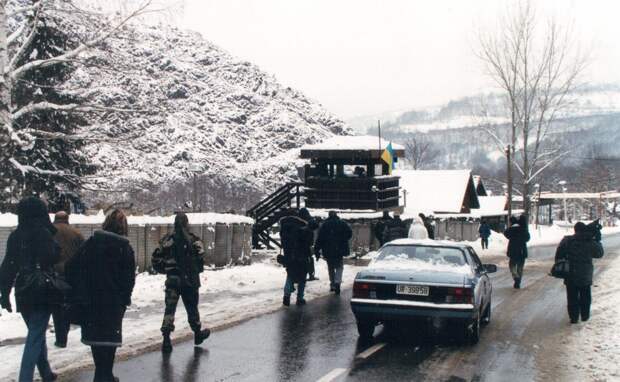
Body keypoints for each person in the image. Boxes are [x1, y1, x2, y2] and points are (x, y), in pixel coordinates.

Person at [65, 209, 135, 382]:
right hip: (112, 305)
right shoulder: (124, 249)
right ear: (123, 228)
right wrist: (124, 299)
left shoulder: (91, 243)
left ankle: (104, 375)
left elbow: (71, 267)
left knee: (97, 344)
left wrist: (81, 289)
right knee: (109, 344)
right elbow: (128, 280)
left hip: (91, 303)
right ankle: (105, 375)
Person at [0, 197, 60, 382]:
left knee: (36, 332)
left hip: (23, 290)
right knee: (35, 335)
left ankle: (46, 373)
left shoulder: (15, 236)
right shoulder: (44, 233)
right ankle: (24, 378)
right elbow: (51, 258)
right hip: (42, 288)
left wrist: (4, 294)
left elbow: (8, 267)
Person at [151, 212, 210, 353]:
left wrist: (168, 269)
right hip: (189, 281)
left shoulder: (167, 240)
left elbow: (155, 259)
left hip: (173, 280)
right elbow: (201, 256)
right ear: (187, 224)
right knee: (192, 309)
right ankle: (197, 334)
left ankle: (166, 339)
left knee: (169, 310)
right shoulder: (194, 240)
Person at [554, 222, 604, 324]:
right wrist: (597, 240)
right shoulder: (589, 241)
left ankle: (574, 317)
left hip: (571, 274)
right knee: (585, 295)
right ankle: (585, 316)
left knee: (572, 297)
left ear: (575, 230)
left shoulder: (567, 240)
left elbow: (558, 255)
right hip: (585, 274)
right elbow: (599, 254)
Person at [50, 211, 85, 348]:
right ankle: (67, 329)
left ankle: (60, 337)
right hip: (71, 273)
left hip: (53, 274)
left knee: (56, 306)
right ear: (67, 219)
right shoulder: (76, 233)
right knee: (69, 303)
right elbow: (83, 252)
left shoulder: (49, 232)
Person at [279, 210, 314, 306]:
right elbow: (309, 243)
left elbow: (283, 242)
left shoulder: (285, 227)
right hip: (302, 256)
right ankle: (300, 298)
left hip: (289, 255)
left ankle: (286, 296)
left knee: (290, 274)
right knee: (302, 277)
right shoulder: (303, 227)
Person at [315, 211, 352, 295]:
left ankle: (332, 284)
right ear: (336, 215)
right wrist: (343, 240)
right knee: (339, 266)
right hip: (339, 249)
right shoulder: (342, 223)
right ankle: (337, 282)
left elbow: (320, 238)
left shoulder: (324, 225)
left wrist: (317, 249)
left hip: (328, 250)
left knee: (331, 267)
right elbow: (349, 233)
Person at [503, 215, 530, 289]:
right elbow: (527, 238)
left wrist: (512, 227)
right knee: (520, 268)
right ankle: (518, 282)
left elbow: (506, 233)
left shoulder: (512, 229)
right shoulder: (523, 229)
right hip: (522, 251)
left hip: (513, 251)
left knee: (512, 266)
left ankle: (516, 277)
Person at [298, 208, 319, 281]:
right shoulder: (309, 220)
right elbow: (316, 225)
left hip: (298, 244)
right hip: (308, 243)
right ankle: (311, 275)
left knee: (300, 260)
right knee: (309, 259)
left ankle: (299, 275)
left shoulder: (297, 220)